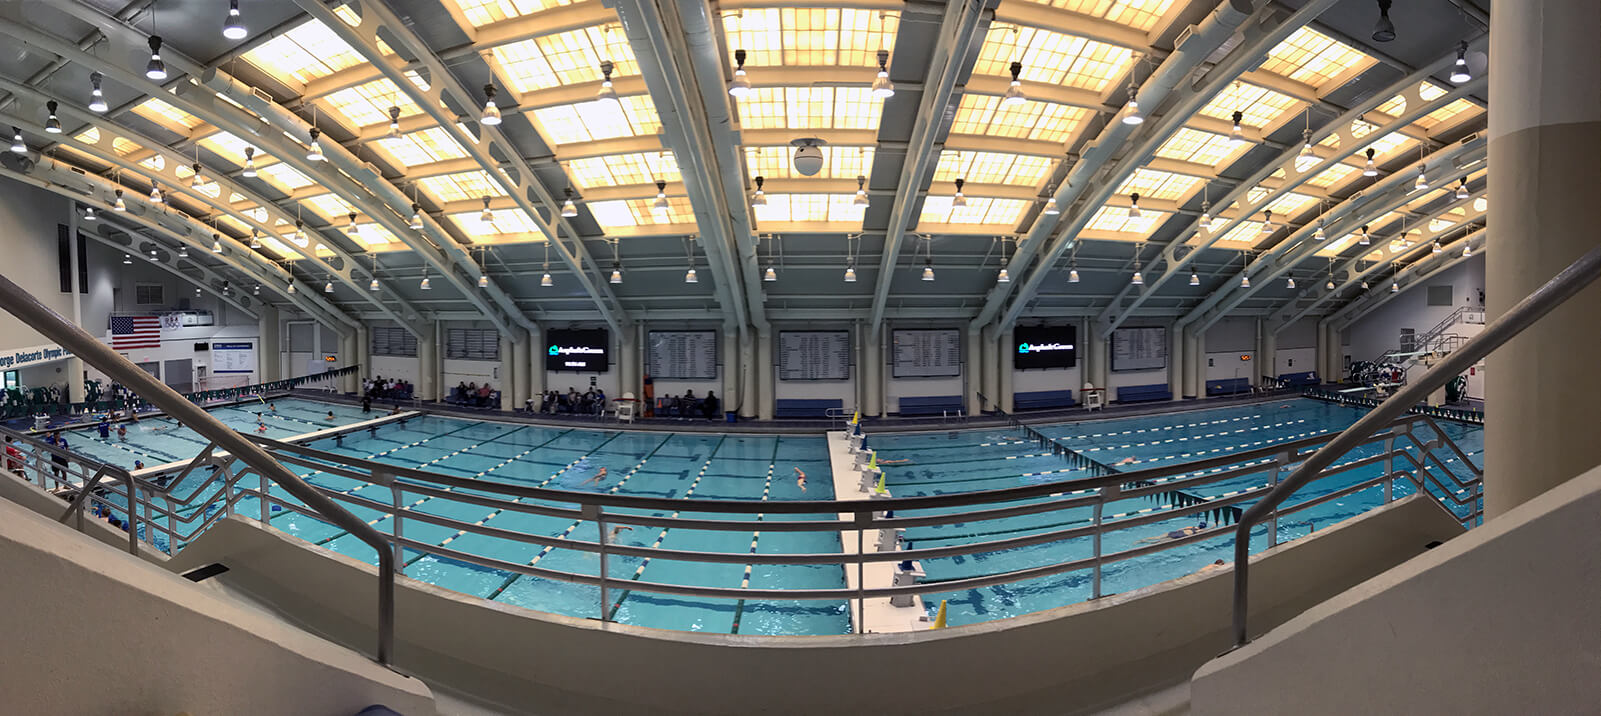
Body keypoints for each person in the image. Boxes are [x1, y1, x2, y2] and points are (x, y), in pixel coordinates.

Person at [1138, 522, 1207, 544]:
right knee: (1158, 542)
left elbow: (1181, 528)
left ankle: (1142, 539)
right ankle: (1145, 542)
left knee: (1157, 537)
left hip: (1176, 532)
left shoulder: (1192, 527)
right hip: (1180, 535)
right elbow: (1206, 530)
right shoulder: (1198, 531)